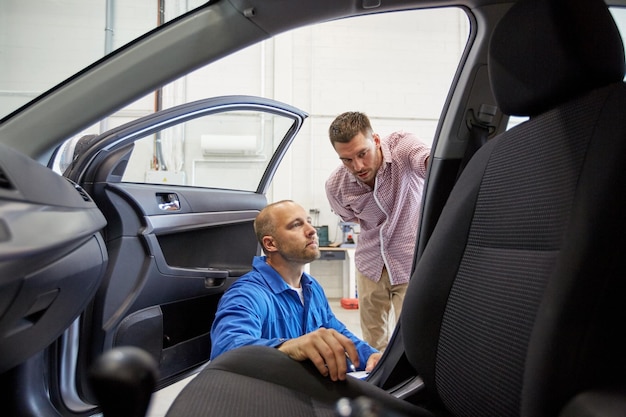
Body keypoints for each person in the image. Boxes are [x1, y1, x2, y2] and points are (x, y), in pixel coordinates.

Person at [210, 200, 381, 381]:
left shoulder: (312, 288)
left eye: (309, 221)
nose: (312, 230)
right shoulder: (247, 294)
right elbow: (226, 350)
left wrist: (370, 355)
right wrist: (288, 348)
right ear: (270, 244)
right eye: (296, 225)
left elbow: (336, 331)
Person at [325, 112, 430, 351]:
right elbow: (350, 218)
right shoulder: (336, 186)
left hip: (410, 263)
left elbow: (430, 163)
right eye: (347, 160)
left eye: (363, 154)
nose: (358, 166)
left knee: (413, 341)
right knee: (374, 343)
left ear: (376, 140)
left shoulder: (402, 146)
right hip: (370, 267)